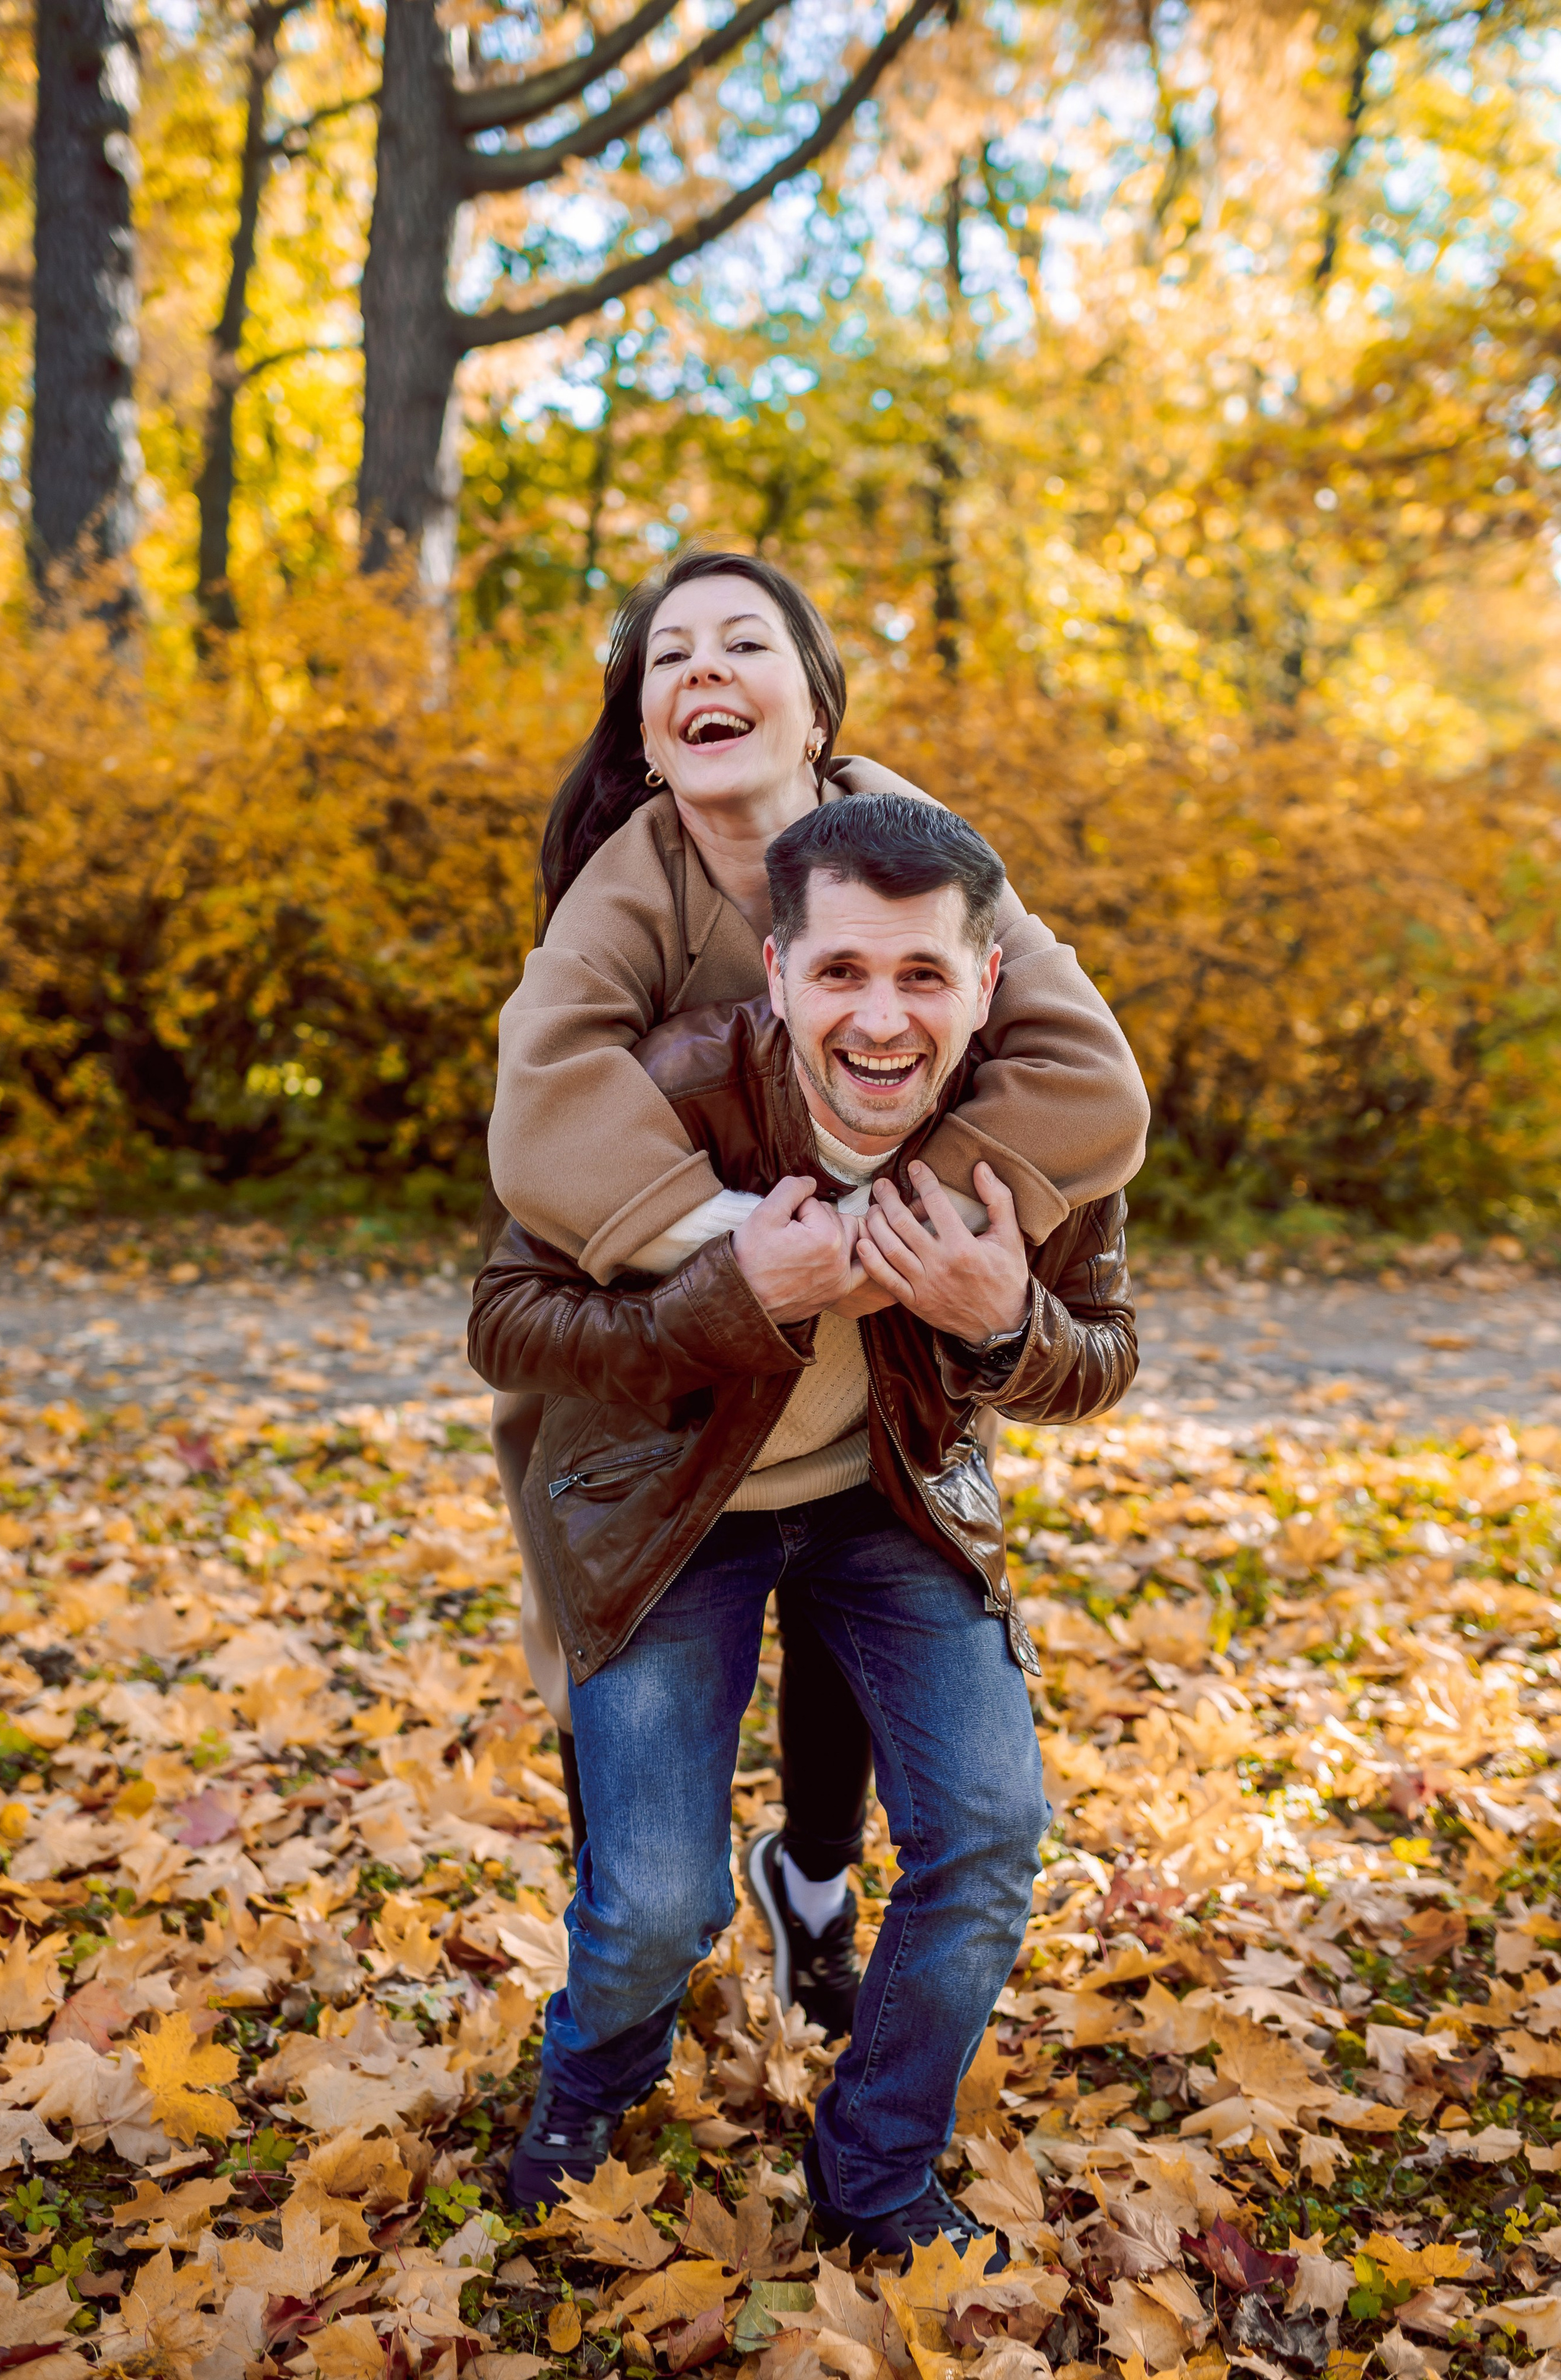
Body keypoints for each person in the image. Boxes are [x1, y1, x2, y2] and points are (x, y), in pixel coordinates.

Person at [485, 547, 1148, 2037]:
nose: (702, 672)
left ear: (817, 701)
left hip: (863, 1370)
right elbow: (540, 1123)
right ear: (646, 733)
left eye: (743, 643)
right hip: (653, 1351)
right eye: (667, 660)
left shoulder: (909, 848)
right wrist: (735, 1240)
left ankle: (814, 1876)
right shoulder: (626, 892)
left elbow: (1088, 1079)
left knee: (856, 1567)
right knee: (618, 1659)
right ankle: (629, 1936)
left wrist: (908, 1233)